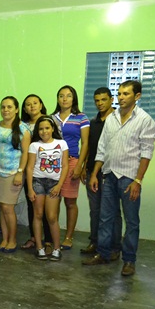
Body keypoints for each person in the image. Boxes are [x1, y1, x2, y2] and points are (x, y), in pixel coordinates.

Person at [82, 80, 155, 277]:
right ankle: (103, 253)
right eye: (120, 93)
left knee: (131, 222)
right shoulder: (112, 118)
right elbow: (102, 148)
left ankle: (129, 261)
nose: (121, 97)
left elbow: (146, 153)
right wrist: (95, 174)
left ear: (137, 96)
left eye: (126, 94)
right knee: (105, 218)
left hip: (129, 179)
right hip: (109, 175)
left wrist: (138, 181)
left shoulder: (145, 120)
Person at [81, 87, 123, 258]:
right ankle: (95, 242)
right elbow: (90, 147)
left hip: (110, 172)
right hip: (92, 171)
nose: (100, 103)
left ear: (111, 100)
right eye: (97, 100)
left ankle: (114, 247)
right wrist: (85, 167)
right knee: (95, 210)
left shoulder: (119, 121)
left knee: (113, 211)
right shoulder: (93, 122)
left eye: (103, 99)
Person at [0, 96, 30, 253]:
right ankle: (4, 239)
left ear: (17, 109)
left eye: (9, 107)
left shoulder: (23, 129)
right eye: (3, 107)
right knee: (1, 207)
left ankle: (12, 240)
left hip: (14, 173)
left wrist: (20, 172)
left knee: (8, 207)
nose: (5, 110)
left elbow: (26, 153)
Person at [26, 116, 69, 261]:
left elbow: (65, 166)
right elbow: (30, 167)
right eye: (41, 129)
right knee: (38, 215)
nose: (44, 131)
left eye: (47, 128)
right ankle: (39, 247)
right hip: (37, 182)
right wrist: (30, 188)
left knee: (51, 217)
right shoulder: (34, 146)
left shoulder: (61, 144)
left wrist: (59, 185)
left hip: (54, 184)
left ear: (52, 129)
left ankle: (56, 248)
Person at [52, 85, 89, 250]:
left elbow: (85, 143)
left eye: (68, 95)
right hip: (53, 163)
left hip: (72, 161)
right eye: (61, 96)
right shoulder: (52, 118)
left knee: (70, 202)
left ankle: (68, 237)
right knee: (54, 201)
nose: (64, 99)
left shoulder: (81, 118)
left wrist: (80, 165)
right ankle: (53, 235)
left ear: (74, 98)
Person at [20, 94, 52, 251]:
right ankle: (34, 237)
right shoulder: (22, 125)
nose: (31, 106)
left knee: (48, 209)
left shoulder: (49, 122)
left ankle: (49, 240)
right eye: (28, 104)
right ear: (24, 109)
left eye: (35, 103)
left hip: (47, 171)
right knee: (32, 205)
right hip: (29, 170)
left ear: (41, 105)